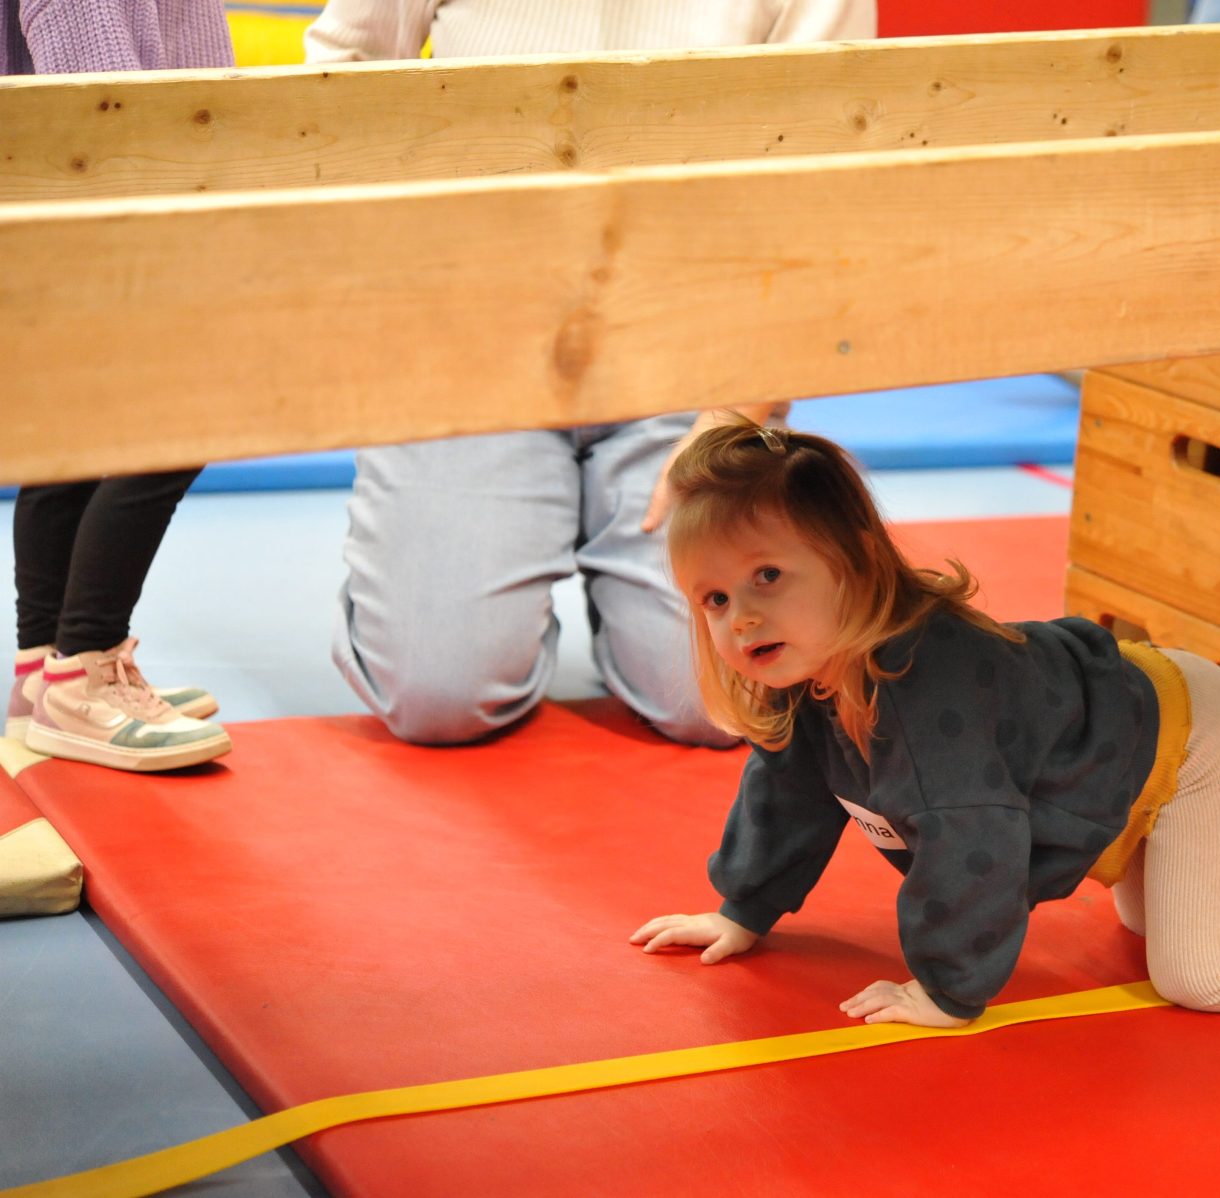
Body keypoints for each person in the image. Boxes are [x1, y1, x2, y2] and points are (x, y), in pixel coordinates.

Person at [631, 422, 1220, 1026]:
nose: (741, 617)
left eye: (768, 576)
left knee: (1203, 974)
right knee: (1147, 915)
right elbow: (787, 794)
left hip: (1195, 740)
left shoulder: (929, 698)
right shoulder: (804, 676)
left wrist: (949, 989)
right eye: (715, 599)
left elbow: (973, 841)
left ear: (857, 563)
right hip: (1128, 731)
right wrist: (743, 908)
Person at [303, 0, 875, 748]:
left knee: (716, 703)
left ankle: (610, 576)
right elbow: (338, 73)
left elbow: (825, 168)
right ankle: (487, 557)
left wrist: (732, 412)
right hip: (476, 340)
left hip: (688, 353)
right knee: (437, 697)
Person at [4, 0, 232, 773]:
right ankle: (84, 670)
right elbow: (96, 92)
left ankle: (46, 669)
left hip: (110, 180)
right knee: (186, 412)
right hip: (117, 180)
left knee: (77, 426)